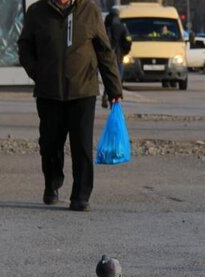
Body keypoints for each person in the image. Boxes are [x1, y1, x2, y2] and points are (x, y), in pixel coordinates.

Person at [18, 0, 122, 212]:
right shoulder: (37, 11)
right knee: (49, 144)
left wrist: (114, 90)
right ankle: (52, 183)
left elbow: (104, 51)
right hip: (49, 92)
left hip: (83, 91)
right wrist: (36, 72)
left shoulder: (90, 10)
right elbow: (25, 45)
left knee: (82, 145)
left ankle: (81, 196)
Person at [101, 6, 131, 108]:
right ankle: (114, 101)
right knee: (117, 79)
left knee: (107, 78)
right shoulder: (122, 27)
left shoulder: (103, 26)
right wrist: (124, 52)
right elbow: (128, 41)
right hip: (118, 57)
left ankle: (106, 95)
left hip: (105, 57)